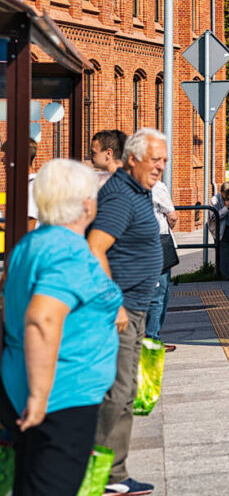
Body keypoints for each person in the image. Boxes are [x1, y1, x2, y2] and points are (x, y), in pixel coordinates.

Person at [0, 159, 124, 496]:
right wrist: (40, 398)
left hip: (22, 387)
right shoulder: (69, 252)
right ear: (86, 203)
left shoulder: (32, 244)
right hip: (61, 396)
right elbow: (42, 318)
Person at [87, 128, 167, 496]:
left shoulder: (136, 191)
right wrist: (114, 302)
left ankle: (114, 475)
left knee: (125, 391)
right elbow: (96, 247)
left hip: (134, 308)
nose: (160, 167)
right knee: (117, 392)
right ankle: (98, 476)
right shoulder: (121, 196)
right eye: (155, 160)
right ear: (132, 158)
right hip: (121, 312)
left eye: (164, 161)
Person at [145, 180, 178, 352]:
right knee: (159, 294)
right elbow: (172, 216)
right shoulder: (156, 185)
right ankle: (152, 339)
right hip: (158, 242)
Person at [0, 138, 40, 232]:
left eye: (7, 155)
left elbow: (28, 228)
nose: (2, 159)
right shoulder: (28, 185)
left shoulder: (31, 188)